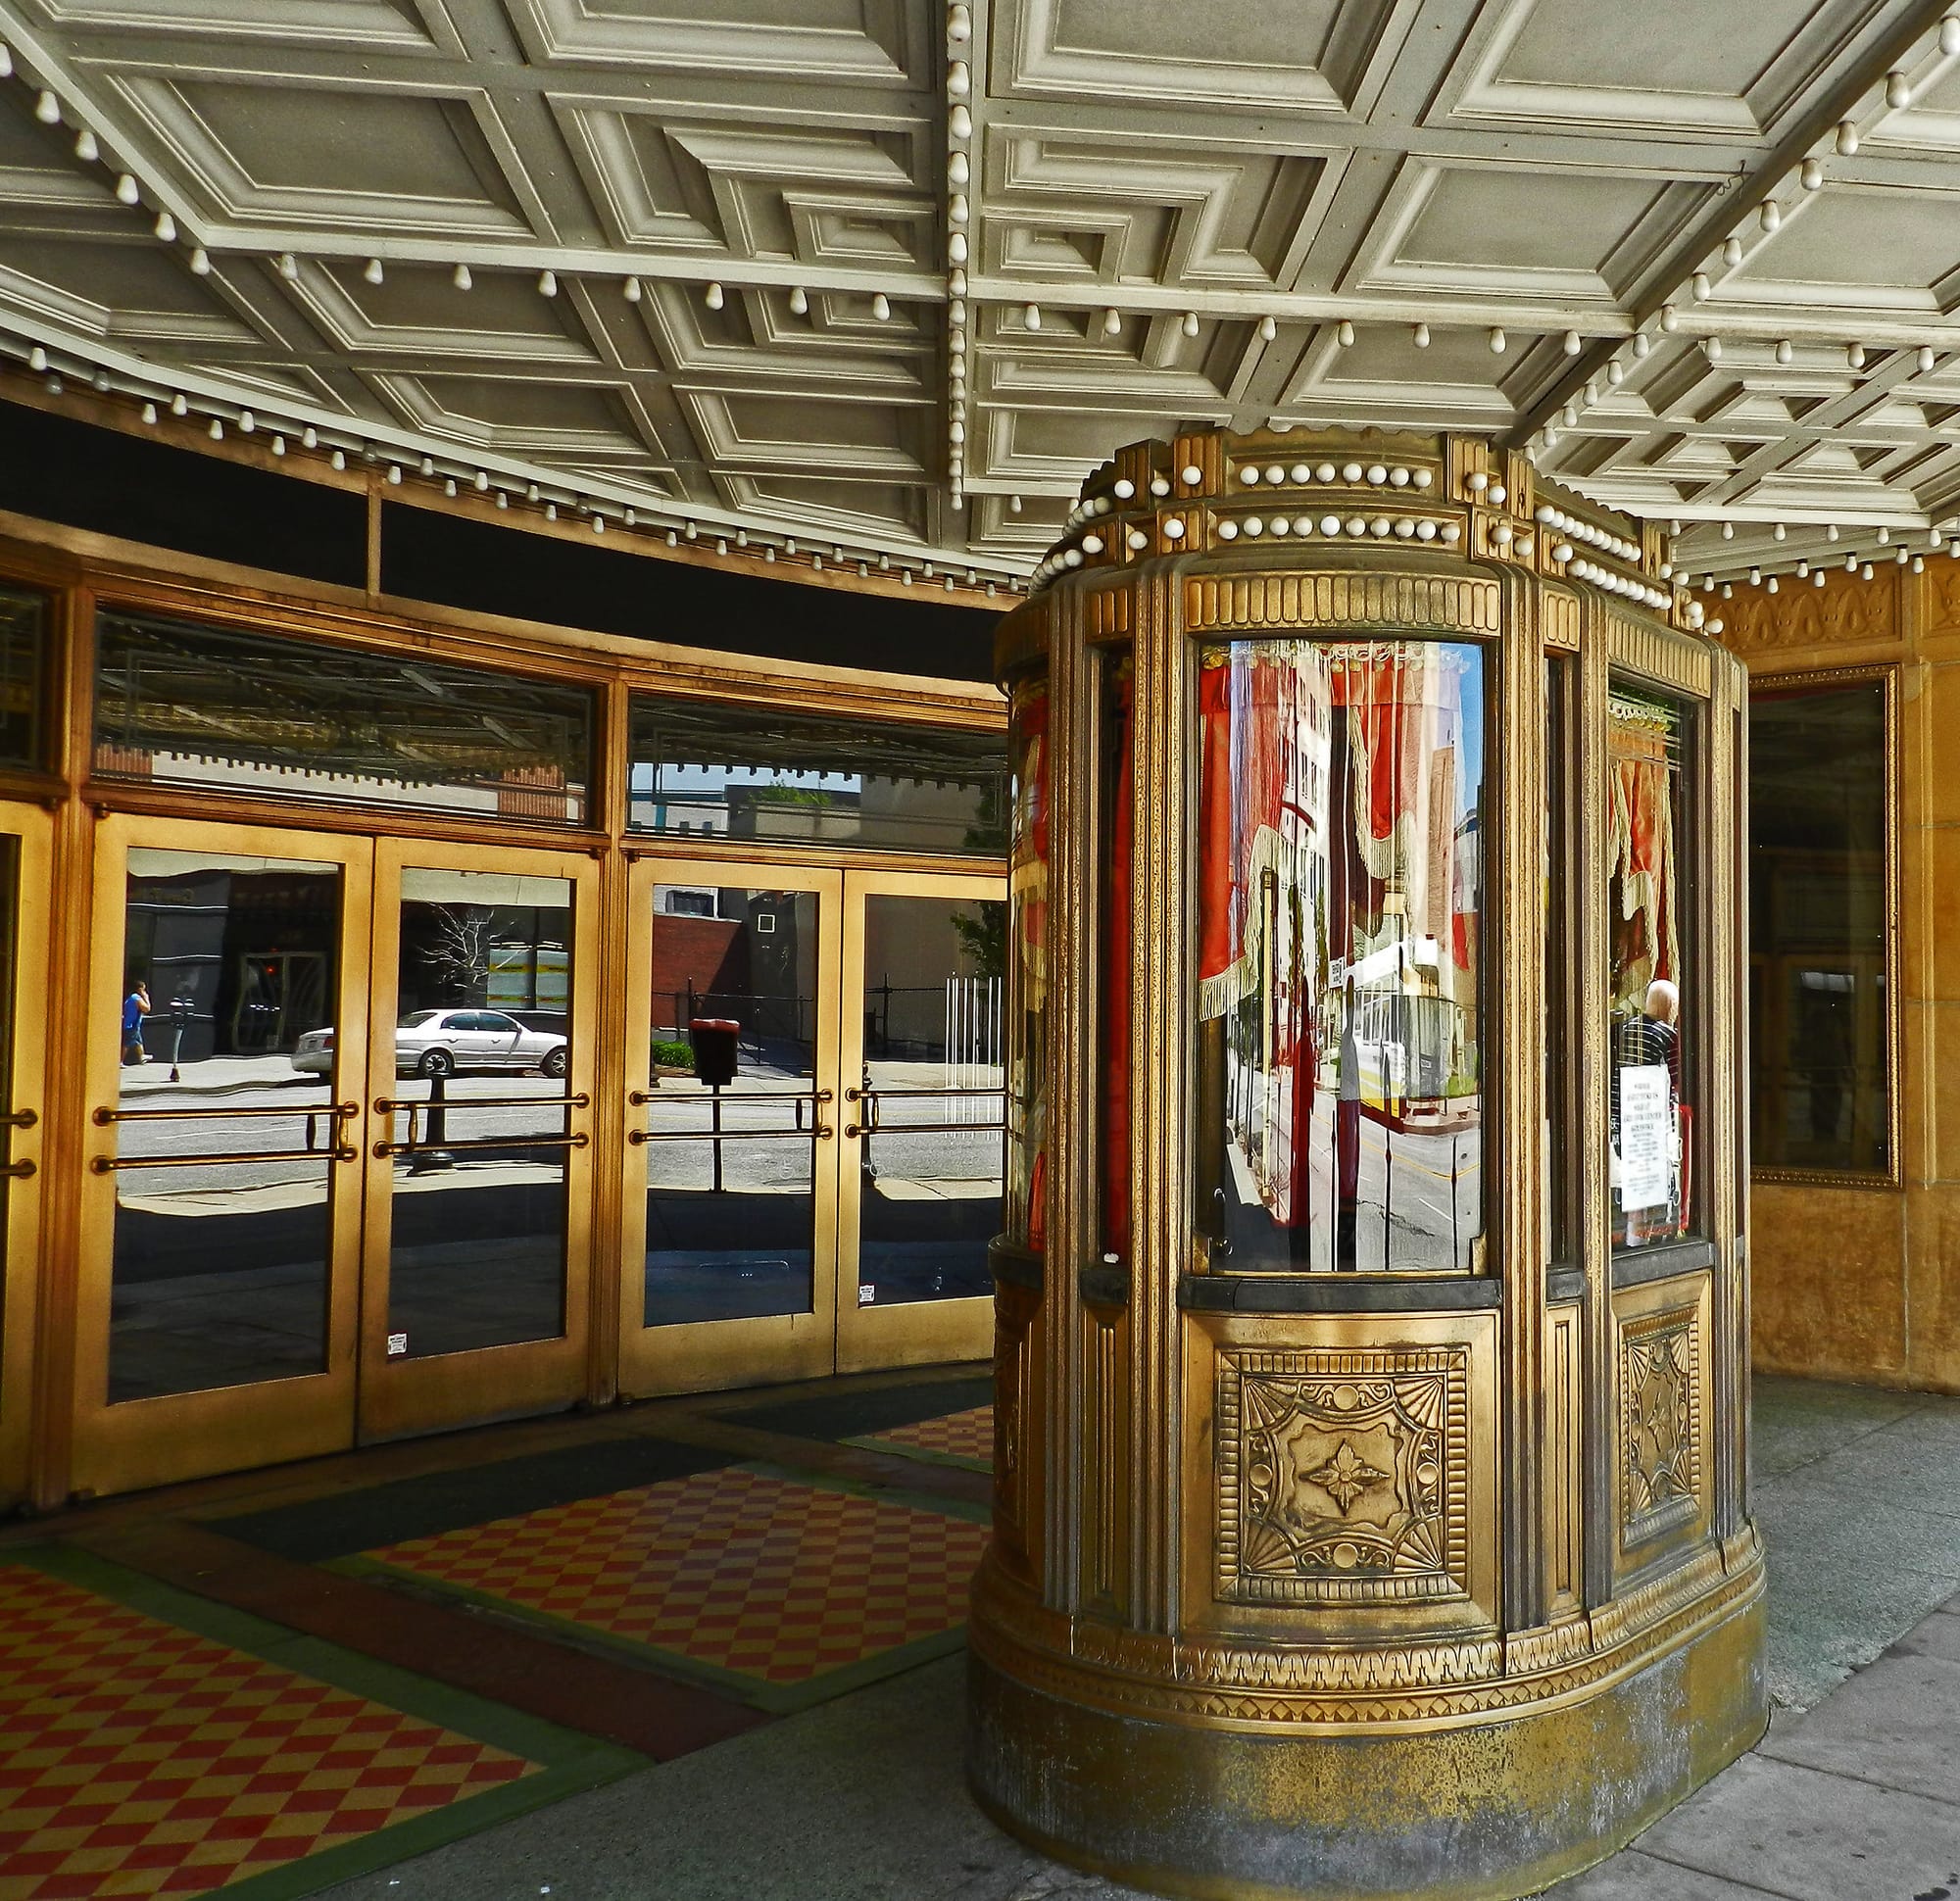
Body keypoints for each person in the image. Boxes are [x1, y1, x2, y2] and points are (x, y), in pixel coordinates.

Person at [122, 978, 152, 1065]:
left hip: (131, 1024)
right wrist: (146, 998)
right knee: (127, 1043)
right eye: (143, 989)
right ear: (140, 989)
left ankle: (142, 1057)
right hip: (132, 1025)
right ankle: (120, 1061)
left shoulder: (131, 998)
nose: (144, 991)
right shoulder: (137, 998)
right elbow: (147, 1009)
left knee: (138, 1041)